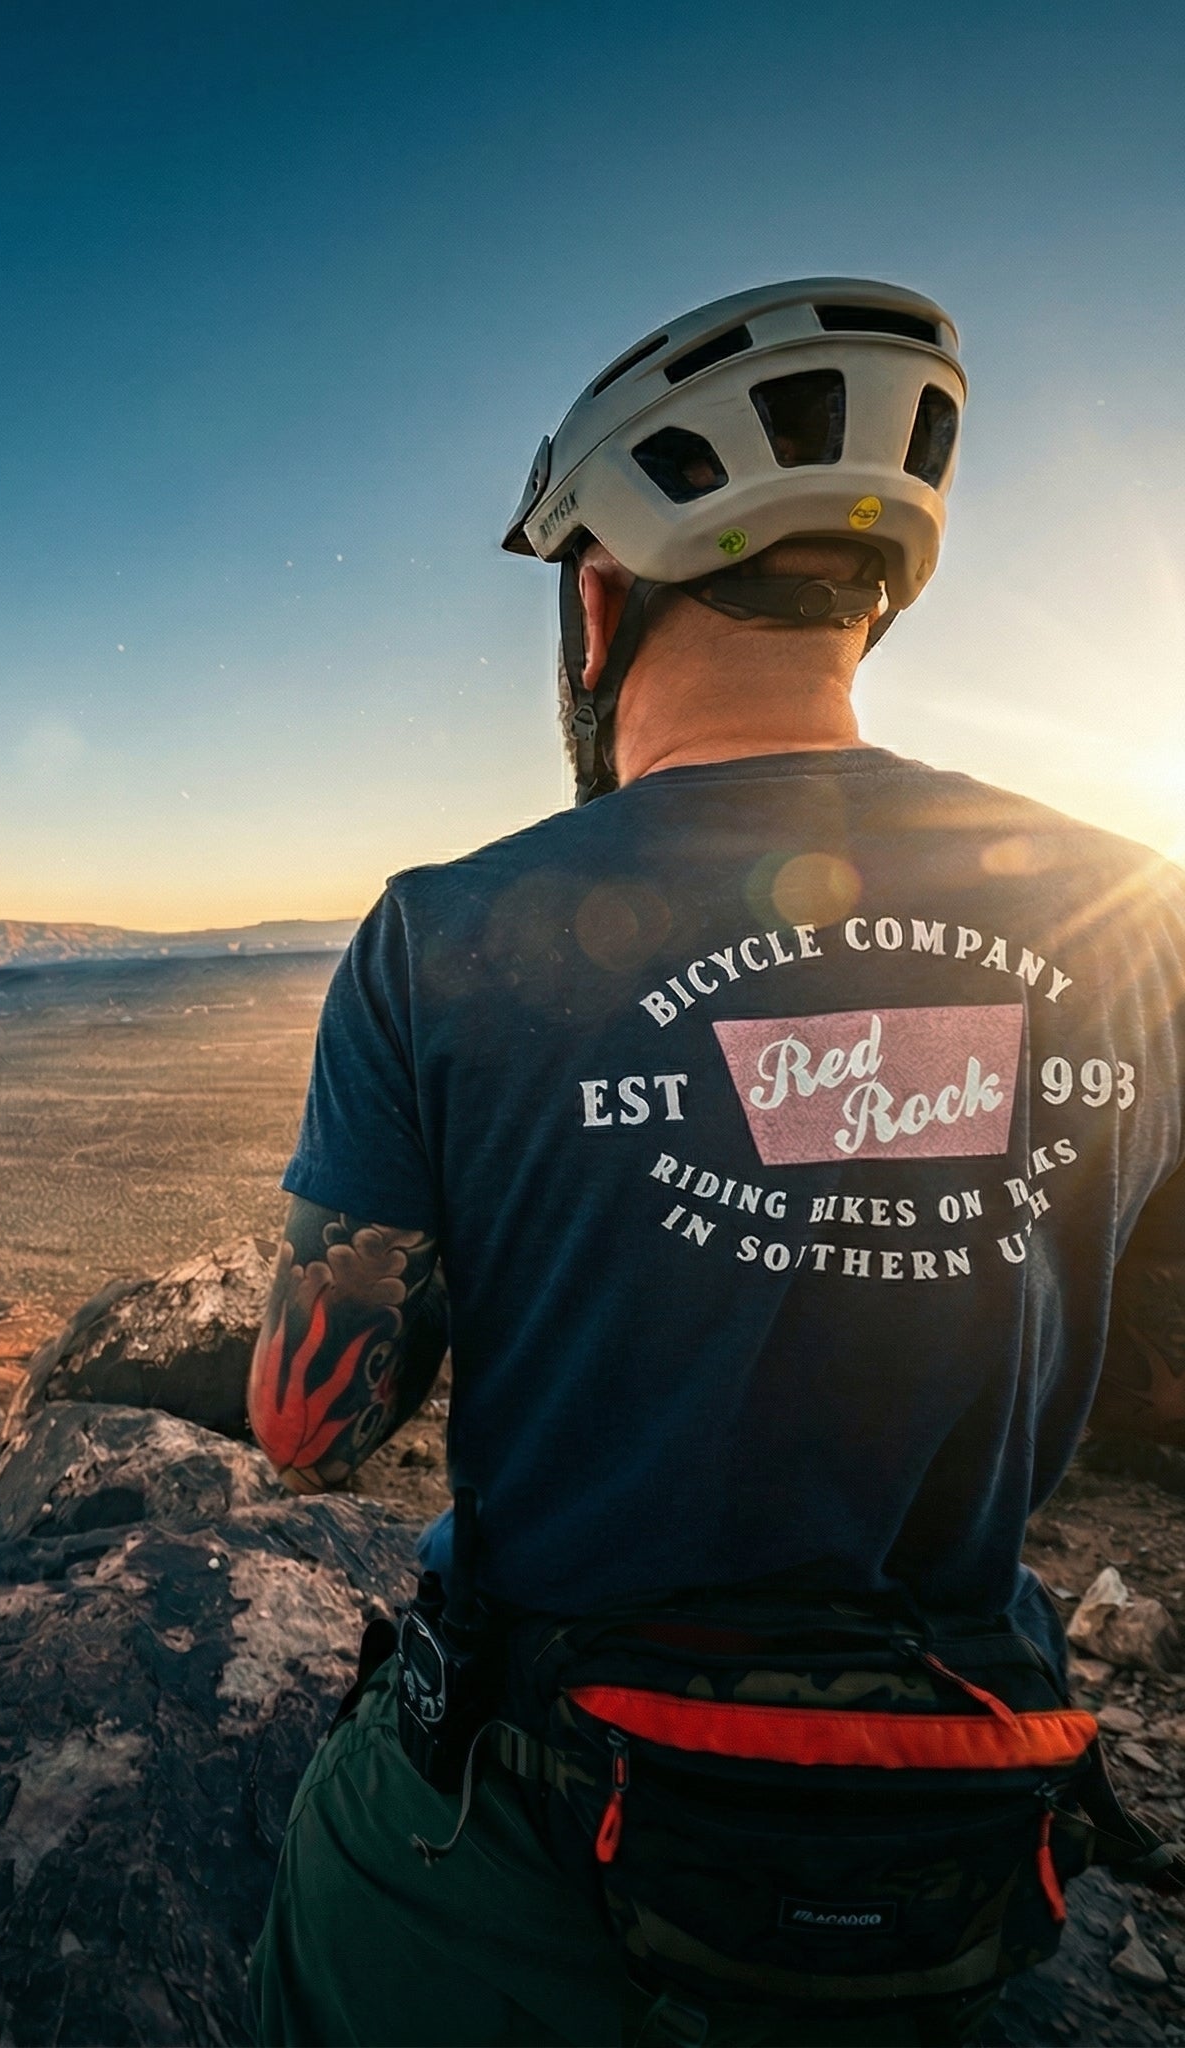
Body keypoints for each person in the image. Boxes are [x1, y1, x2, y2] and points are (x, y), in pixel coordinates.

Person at [244, 278, 1185, 2046]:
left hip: (540, 1823)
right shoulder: (1141, 920)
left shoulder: (444, 936)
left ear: (598, 602)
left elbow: (314, 1431)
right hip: (946, 1836)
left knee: (315, 1940)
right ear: (872, 602)